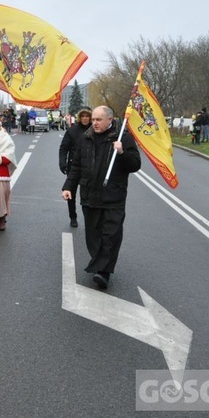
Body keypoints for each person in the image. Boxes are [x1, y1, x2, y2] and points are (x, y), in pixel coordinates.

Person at [61, 106, 141, 289]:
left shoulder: (122, 138)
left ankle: (103, 272)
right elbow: (77, 167)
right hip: (90, 195)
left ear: (110, 120)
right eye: (93, 119)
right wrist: (68, 187)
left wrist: (122, 152)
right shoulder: (85, 139)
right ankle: (100, 264)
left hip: (113, 197)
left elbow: (135, 164)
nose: (94, 122)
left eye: (98, 119)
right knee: (93, 235)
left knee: (111, 236)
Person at [58, 107, 92, 228]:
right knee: (71, 192)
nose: (85, 119)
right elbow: (64, 148)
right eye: (83, 116)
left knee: (88, 195)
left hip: (89, 167)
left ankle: (89, 218)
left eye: (87, 116)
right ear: (79, 117)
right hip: (73, 166)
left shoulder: (94, 130)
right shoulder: (72, 131)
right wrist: (62, 163)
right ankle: (73, 217)